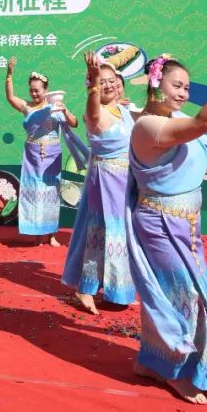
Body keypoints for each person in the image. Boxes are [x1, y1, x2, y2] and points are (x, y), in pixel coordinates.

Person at [127, 46, 207, 405]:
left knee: (189, 292)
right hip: (159, 223)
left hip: (186, 225)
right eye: (177, 85)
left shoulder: (177, 120)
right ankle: (177, 371)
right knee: (182, 294)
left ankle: (151, 362)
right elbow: (203, 124)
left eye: (186, 87)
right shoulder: (148, 125)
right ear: (156, 86)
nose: (183, 92)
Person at [61, 52, 136, 314]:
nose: (108, 85)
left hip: (125, 182)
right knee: (102, 233)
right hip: (105, 181)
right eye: (101, 81)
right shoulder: (95, 113)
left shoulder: (124, 111)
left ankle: (116, 288)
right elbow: (93, 111)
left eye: (111, 80)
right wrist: (94, 83)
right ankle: (86, 288)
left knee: (120, 234)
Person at [4, 58, 79, 246]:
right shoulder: (27, 107)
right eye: (31, 90)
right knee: (34, 193)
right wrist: (9, 74)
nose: (34, 93)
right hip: (32, 156)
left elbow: (74, 123)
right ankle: (37, 234)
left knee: (51, 193)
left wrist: (65, 110)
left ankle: (51, 234)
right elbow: (11, 97)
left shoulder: (55, 106)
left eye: (37, 90)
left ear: (46, 90)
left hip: (52, 156)